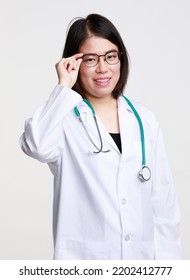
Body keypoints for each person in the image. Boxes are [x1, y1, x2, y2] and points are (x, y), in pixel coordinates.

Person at [20, 13, 181, 260]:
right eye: (91, 59)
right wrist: (63, 86)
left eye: (111, 56)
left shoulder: (144, 120)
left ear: (121, 59)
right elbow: (36, 145)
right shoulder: (64, 119)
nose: (103, 68)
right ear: (73, 62)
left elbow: (164, 208)